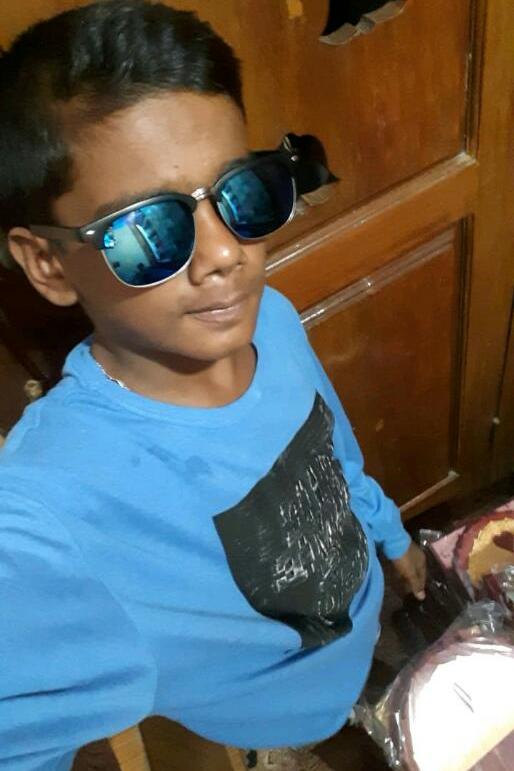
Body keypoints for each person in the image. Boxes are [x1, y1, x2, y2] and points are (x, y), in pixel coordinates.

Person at [0, 2, 426, 769]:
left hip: (362, 620)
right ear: (50, 263)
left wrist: (388, 532)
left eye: (242, 193)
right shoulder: (52, 513)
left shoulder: (273, 320)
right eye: (148, 230)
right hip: (263, 722)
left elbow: (332, 450)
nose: (225, 254)